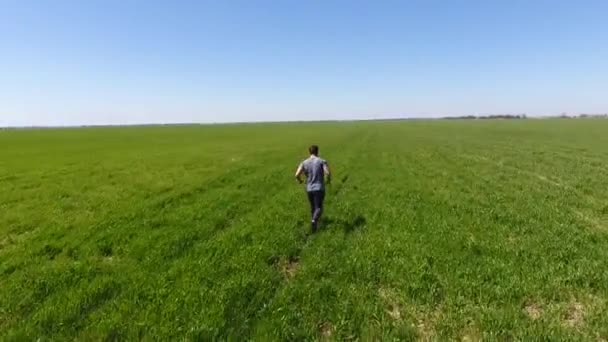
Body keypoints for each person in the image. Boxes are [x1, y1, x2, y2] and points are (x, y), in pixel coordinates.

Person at [295, 145, 331, 232]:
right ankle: (314, 220)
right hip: (319, 188)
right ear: (317, 152)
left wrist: (300, 180)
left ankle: (314, 228)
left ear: (309, 152)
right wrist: (328, 180)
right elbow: (327, 173)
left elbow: (296, 175)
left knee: (312, 207)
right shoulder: (322, 161)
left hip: (309, 188)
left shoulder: (304, 162)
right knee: (319, 207)